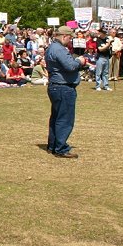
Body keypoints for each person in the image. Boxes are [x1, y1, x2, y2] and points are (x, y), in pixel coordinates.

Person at [45, 26, 87, 159]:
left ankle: (53, 145)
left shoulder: (52, 47)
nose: (70, 41)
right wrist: (79, 61)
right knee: (65, 119)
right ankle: (61, 148)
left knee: (56, 117)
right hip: (63, 87)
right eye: (70, 38)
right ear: (64, 36)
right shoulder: (59, 49)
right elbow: (70, 66)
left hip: (56, 86)